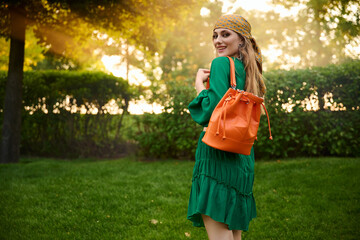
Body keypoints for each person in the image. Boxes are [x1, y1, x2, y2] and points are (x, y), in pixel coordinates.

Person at [187, 14, 266, 240]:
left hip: (217, 154)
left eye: (225, 34)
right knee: (233, 235)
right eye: (215, 35)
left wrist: (199, 86)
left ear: (241, 40)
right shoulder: (250, 71)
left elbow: (210, 112)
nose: (217, 41)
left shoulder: (221, 63)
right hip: (242, 157)